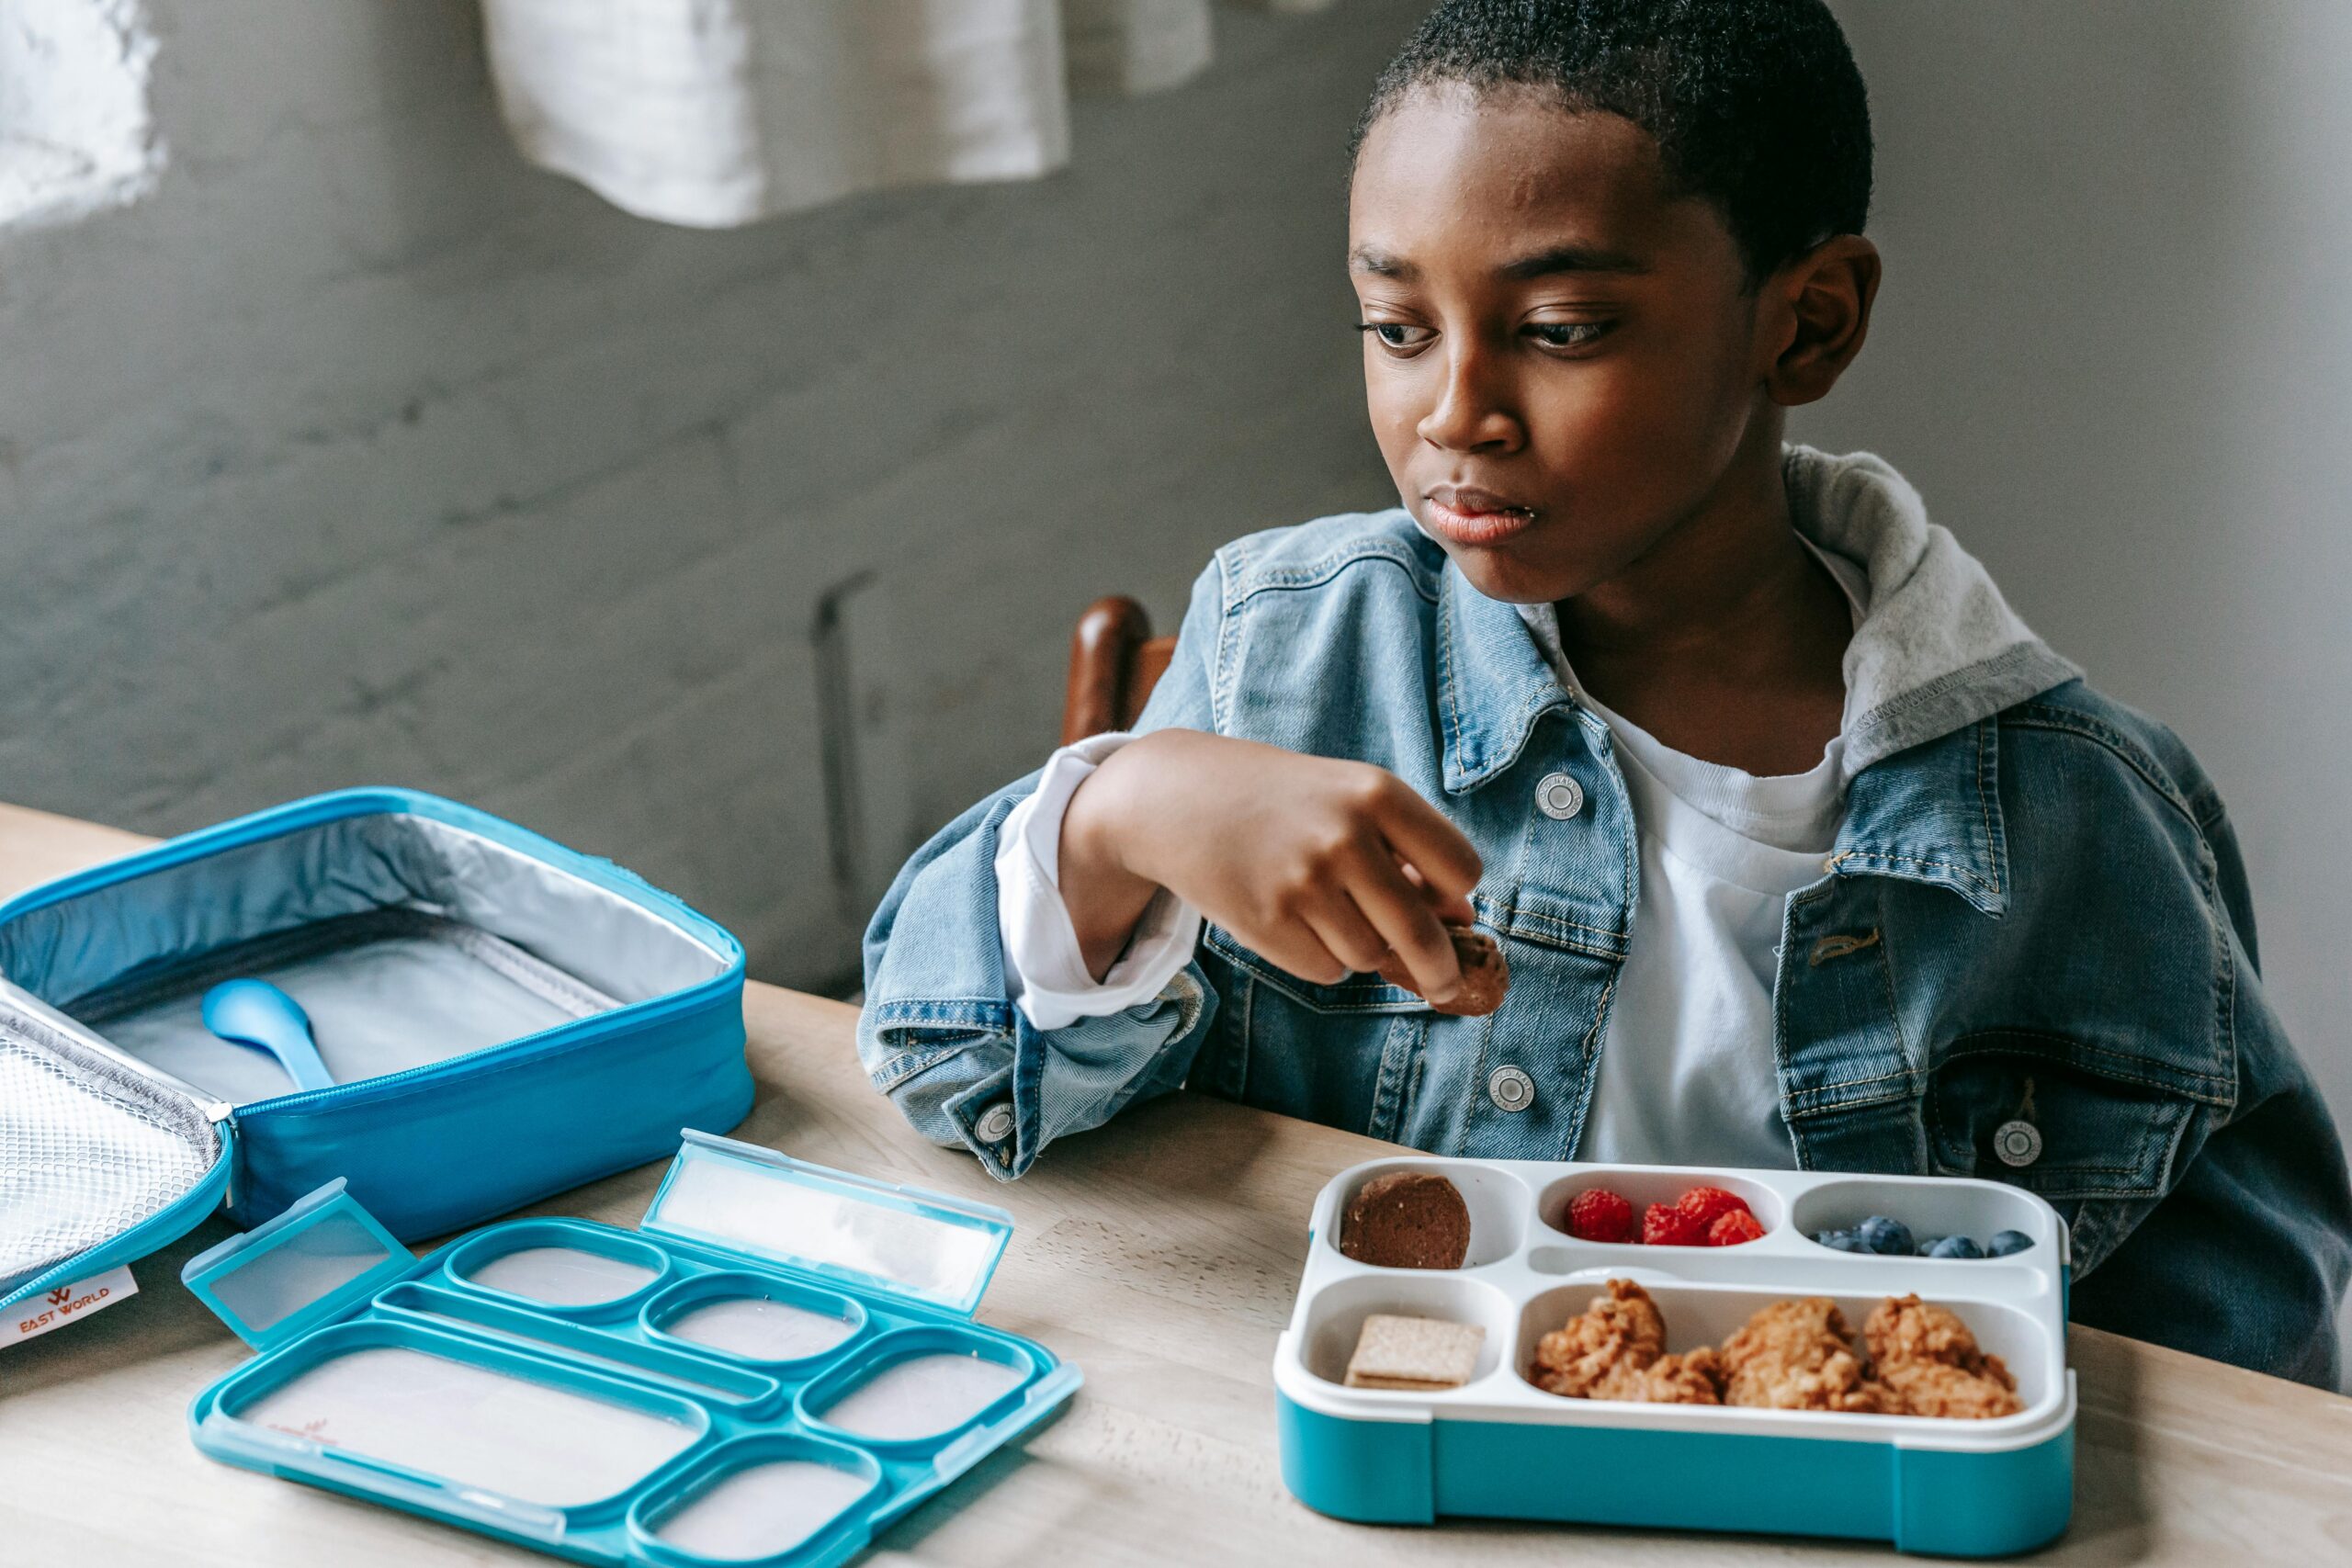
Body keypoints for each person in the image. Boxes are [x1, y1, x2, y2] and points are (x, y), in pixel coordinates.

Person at [856, 0, 2352, 1386]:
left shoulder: (2082, 816)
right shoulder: (1289, 653)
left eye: (1560, 330)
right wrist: (1121, 815)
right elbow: (944, 1072)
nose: (1453, 413)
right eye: (1398, 327)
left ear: (1809, 323)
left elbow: (2255, 1367)